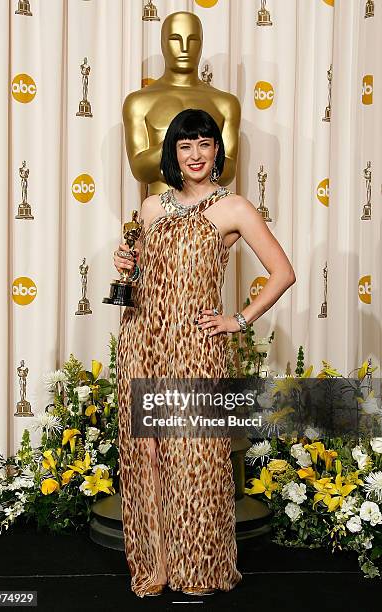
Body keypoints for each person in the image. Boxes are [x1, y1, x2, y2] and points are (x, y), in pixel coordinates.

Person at [114, 109, 296, 598]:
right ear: (173, 153)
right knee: (147, 453)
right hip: (142, 340)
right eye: (184, 145)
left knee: (195, 456)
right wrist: (125, 262)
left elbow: (283, 272)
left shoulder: (233, 208)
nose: (195, 155)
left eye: (204, 144)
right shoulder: (152, 207)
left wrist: (237, 319)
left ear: (218, 150)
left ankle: (199, 568)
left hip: (195, 348)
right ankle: (158, 565)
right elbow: (139, 278)